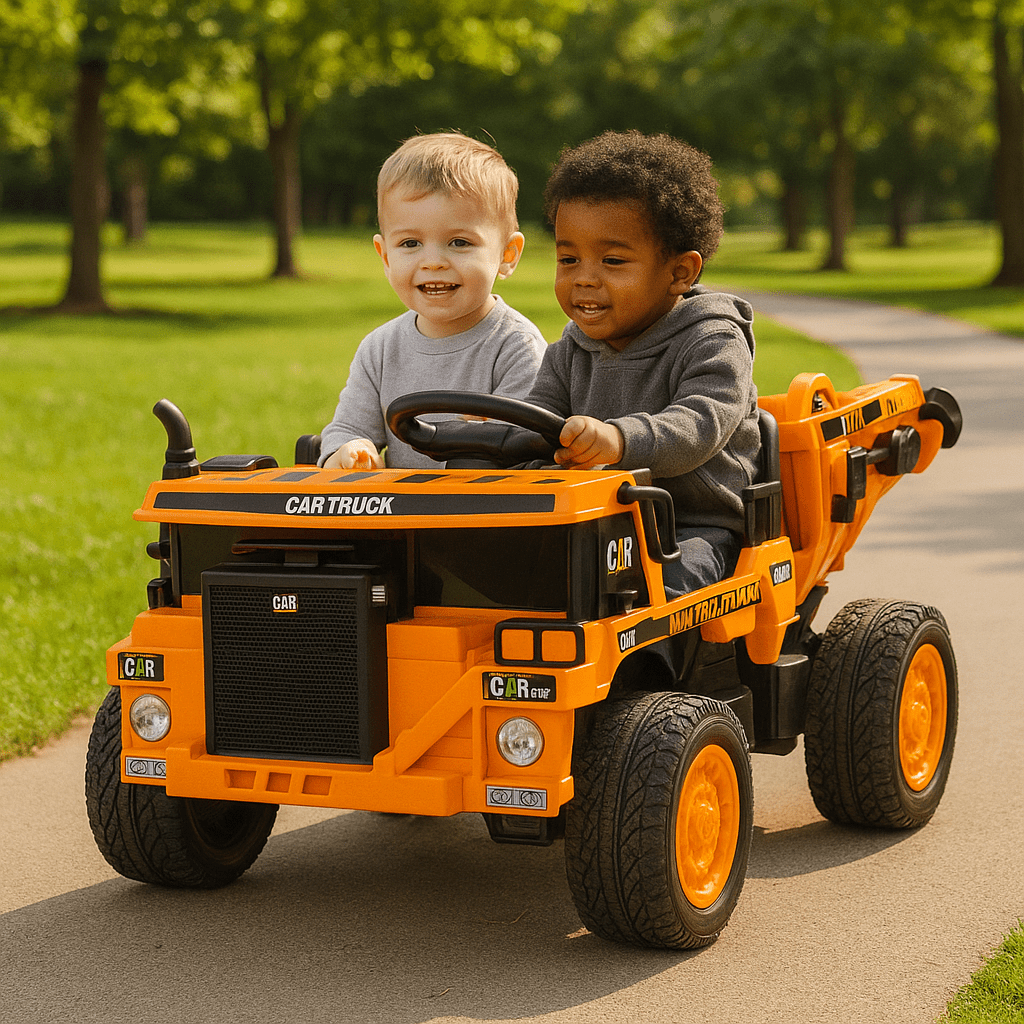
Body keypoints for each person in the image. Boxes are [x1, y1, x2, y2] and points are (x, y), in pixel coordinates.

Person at [528, 130, 761, 596]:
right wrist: (491, 441)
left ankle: (647, 668)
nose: (584, 279)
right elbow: (536, 425)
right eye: (568, 259)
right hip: (594, 519)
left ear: (680, 272)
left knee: (658, 590)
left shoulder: (713, 340)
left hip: (692, 526)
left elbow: (698, 427)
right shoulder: (568, 352)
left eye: (612, 260)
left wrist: (618, 440)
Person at [319, 132, 547, 470]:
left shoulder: (515, 347)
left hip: (490, 516)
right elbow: (347, 428)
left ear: (507, 255)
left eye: (458, 242)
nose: (433, 262)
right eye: (410, 244)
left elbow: (528, 448)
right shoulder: (380, 350)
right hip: (401, 517)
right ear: (385, 256)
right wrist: (350, 449)